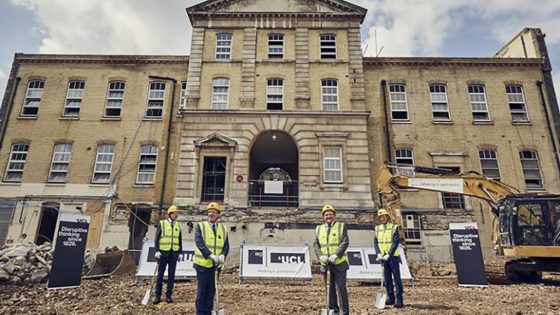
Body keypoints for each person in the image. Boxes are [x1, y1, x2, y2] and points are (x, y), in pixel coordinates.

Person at [313, 204, 350, 315]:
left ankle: (344, 312)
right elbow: (315, 244)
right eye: (326, 214)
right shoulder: (319, 229)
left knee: (341, 288)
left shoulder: (341, 226)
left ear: (334, 215)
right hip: (325, 263)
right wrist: (320, 256)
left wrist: (336, 255)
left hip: (339, 263)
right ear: (323, 216)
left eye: (330, 214)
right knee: (329, 289)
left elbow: (345, 242)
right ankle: (334, 309)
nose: (328, 216)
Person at [193, 202, 230, 315]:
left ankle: (208, 312)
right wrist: (210, 255)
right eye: (209, 212)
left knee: (211, 291)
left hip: (216, 266)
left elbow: (226, 245)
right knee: (202, 291)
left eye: (213, 212)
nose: (211, 214)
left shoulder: (223, 229)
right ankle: (200, 312)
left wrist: (223, 255)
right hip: (202, 265)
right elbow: (199, 243)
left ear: (218, 214)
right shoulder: (200, 226)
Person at [153, 205, 183, 304]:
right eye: (175, 213)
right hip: (163, 253)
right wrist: (157, 250)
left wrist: (180, 252)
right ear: (170, 214)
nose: (176, 215)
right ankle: (157, 295)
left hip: (173, 253)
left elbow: (179, 240)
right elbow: (157, 238)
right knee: (160, 275)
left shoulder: (178, 225)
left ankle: (168, 296)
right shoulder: (162, 223)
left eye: (177, 213)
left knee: (171, 276)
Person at [374, 208, 404, 308]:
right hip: (383, 257)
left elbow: (395, 242)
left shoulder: (394, 227)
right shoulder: (377, 229)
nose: (382, 218)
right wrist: (378, 253)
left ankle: (399, 299)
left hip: (393, 257)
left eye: (384, 216)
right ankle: (390, 298)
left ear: (387, 217)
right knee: (387, 279)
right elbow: (375, 242)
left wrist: (389, 254)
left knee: (396, 278)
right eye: (380, 217)